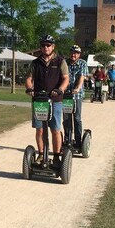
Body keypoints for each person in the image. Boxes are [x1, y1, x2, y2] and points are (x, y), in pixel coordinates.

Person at [25, 34, 69, 165]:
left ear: (53, 46)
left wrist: (60, 89)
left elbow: (66, 78)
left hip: (55, 100)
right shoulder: (35, 63)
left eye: (48, 45)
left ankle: (56, 156)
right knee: (40, 129)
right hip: (39, 100)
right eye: (43, 45)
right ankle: (41, 154)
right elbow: (28, 79)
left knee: (55, 129)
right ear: (41, 47)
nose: (46, 47)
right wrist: (29, 88)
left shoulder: (60, 61)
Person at [64, 44, 88, 150]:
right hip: (66, 94)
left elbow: (82, 77)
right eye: (72, 52)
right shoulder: (65, 63)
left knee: (77, 117)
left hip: (77, 95)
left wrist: (78, 88)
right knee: (66, 118)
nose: (73, 55)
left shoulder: (82, 63)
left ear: (79, 54)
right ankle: (67, 139)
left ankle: (78, 141)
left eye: (76, 53)